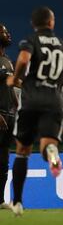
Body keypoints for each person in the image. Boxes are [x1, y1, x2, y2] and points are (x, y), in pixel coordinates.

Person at [7, 7, 63, 216]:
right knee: (48, 143)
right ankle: (51, 153)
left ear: (34, 24)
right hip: (54, 102)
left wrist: (16, 78)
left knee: (22, 151)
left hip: (30, 101)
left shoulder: (30, 41)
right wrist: (55, 80)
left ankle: (19, 202)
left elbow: (23, 59)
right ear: (51, 23)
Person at [0, 23, 17, 210]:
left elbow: (9, 87)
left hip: (9, 116)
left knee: (3, 161)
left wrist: (17, 107)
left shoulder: (7, 60)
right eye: (3, 32)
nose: (7, 34)